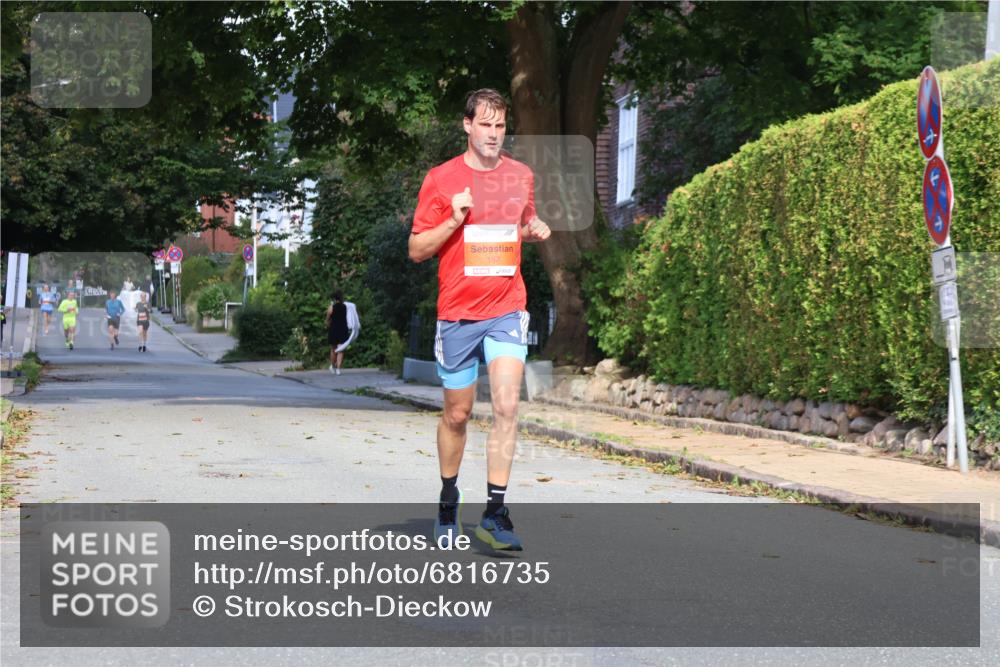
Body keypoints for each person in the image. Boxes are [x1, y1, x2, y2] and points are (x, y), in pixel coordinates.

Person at [409, 88, 551, 551]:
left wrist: (533, 230)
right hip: (457, 313)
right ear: (467, 125)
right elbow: (416, 249)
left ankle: (495, 513)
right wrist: (453, 220)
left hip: (507, 307)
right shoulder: (441, 179)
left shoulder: (521, 176)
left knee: (507, 406)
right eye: (485, 124)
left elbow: (519, 229)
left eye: (500, 125)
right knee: (457, 414)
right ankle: (449, 498)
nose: (493, 134)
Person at [325, 290, 354, 375]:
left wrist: (328, 324)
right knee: (341, 349)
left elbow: (327, 319)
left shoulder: (331, 307)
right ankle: (338, 369)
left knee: (333, 349)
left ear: (334, 298)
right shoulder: (345, 307)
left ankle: (332, 366)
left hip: (334, 329)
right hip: (343, 329)